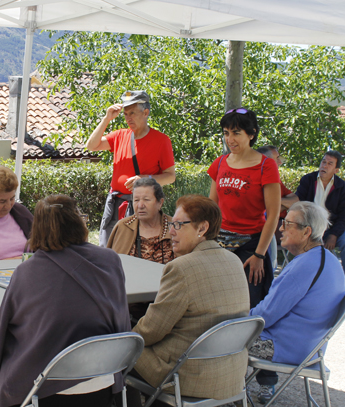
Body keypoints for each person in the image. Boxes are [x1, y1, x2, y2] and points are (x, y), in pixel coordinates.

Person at [0, 194, 130, 407]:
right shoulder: (110, 260)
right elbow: (121, 317)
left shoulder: (28, 271)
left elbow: (7, 326)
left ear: (38, 228)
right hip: (103, 379)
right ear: (78, 220)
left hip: (45, 390)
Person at [130, 195, 249, 405]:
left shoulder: (182, 268)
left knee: (118, 348)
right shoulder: (234, 261)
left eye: (177, 225)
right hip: (230, 375)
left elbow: (150, 332)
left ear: (202, 228)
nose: (170, 232)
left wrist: (125, 338)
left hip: (185, 376)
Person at [249, 201, 345, 404]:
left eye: (287, 223)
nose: (281, 228)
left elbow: (264, 315)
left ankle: (224, 395)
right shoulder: (327, 259)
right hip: (311, 348)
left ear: (306, 232)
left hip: (286, 347)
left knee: (219, 337)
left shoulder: (305, 265)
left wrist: (234, 320)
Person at [208, 108, 280, 308]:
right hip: (219, 243)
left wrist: (259, 255)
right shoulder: (220, 162)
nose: (229, 139)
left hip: (251, 245)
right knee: (216, 301)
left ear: (252, 134)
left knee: (248, 304)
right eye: (226, 133)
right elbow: (211, 208)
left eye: (236, 133)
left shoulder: (266, 166)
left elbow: (272, 215)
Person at [86, 90, 175, 247]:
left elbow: (170, 176)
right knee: (108, 247)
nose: (128, 118)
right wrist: (107, 118)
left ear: (145, 112)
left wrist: (145, 180)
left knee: (136, 248)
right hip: (114, 202)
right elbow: (91, 146)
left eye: (132, 113)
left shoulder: (161, 140)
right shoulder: (120, 135)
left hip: (141, 205)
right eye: (126, 114)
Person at [282, 151, 345, 296]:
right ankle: (295, 280)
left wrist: (334, 235)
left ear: (336, 170)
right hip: (309, 228)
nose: (324, 166)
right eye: (323, 162)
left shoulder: (342, 187)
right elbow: (298, 203)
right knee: (297, 242)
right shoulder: (308, 180)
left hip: (331, 229)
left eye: (329, 163)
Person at [107, 177, 174, 264]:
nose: (140, 205)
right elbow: (109, 264)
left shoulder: (175, 227)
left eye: (146, 200)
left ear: (160, 203)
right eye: (136, 200)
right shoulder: (123, 227)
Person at [256, 145, 293, 267]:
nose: (280, 162)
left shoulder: (275, 179)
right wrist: (281, 204)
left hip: (279, 223)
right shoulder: (255, 178)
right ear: (264, 160)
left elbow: (295, 200)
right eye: (277, 158)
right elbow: (263, 208)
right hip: (266, 226)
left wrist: (275, 202)